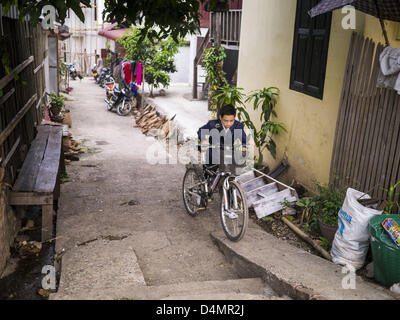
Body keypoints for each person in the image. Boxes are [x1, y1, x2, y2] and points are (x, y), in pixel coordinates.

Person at [197, 104, 248, 171]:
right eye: (225, 121)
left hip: (228, 154)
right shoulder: (213, 124)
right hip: (212, 154)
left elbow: (244, 139)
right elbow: (201, 131)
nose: (228, 124)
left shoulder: (237, 126)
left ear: (234, 118)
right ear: (220, 117)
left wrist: (248, 142)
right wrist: (204, 140)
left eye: (231, 121)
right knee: (210, 174)